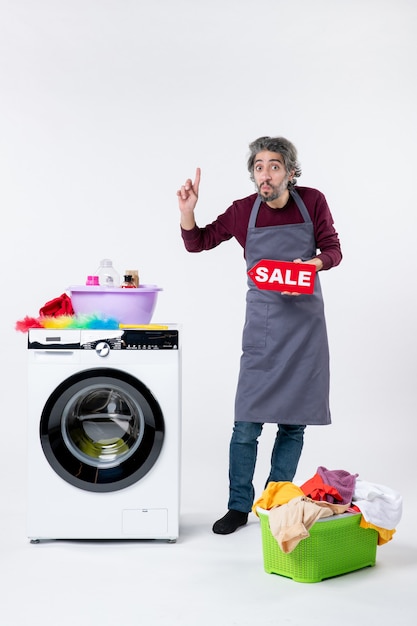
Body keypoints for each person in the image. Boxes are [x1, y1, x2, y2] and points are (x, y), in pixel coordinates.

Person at [177, 136, 342, 535]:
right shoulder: (241, 212)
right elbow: (197, 243)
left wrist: (311, 265)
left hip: (304, 328)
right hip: (264, 326)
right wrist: (187, 213)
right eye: (258, 166)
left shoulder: (313, 201)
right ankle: (238, 506)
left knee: (293, 424)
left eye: (273, 166)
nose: (264, 174)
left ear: (289, 172)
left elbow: (333, 250)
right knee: (246, 424)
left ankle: (275, 502)